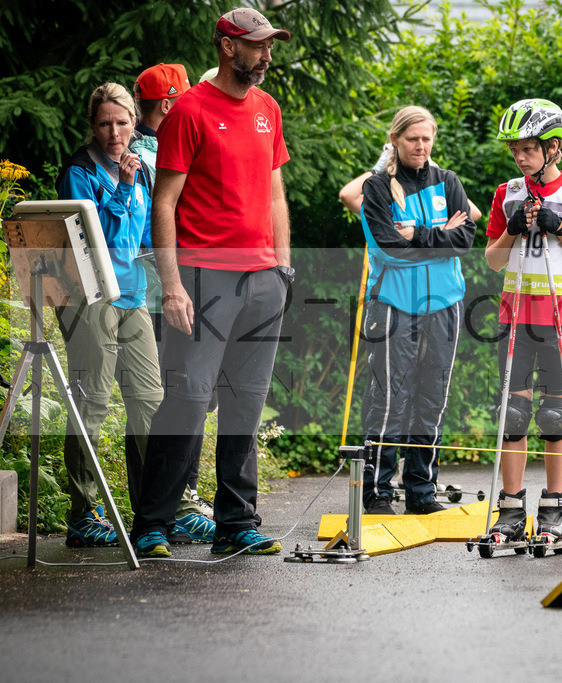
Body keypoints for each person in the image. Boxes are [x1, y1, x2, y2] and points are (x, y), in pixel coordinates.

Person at [130, 7, 294, 557]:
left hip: (263, 277)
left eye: (270, 45)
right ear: (228, 47)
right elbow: (165, 203)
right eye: (257, 45)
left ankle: (236, 522)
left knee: (245, 401)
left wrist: (284, 269)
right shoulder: (190, 112)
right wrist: (172, 286)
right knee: (188, 399)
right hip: (204, 277)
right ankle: (153, 521)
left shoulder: (267, 108)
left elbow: (274, 195)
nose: (267, 54)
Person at [55, 82, 212, 547]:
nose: (114, 132)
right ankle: (83, 514)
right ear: (93, 125)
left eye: (122, 122)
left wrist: (177, 280)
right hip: (91, 300)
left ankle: (167, 509)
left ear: (133, 123)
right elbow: (94, 240)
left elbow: (148, 238)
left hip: (134, 299)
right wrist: (123, 189)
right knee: (92, 404)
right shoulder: (79, 172)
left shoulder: (143, 169)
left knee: (152, 405)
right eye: (104, 123)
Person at [482, 98, 562, 546]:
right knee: (512, 414)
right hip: (514, 317)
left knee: (555, 415)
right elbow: (493, 262)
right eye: (515, 148)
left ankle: (554, 508)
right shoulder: (506, 191)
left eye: (528, 147)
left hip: (557, 317)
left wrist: (560, 229)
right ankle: (510, 508)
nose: (519, 155)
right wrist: (512, 228)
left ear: (554, 147)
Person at [359, 105, 476, 515]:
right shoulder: (375, 188)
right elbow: (389, 250)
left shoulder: (448, 181)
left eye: (427, 139)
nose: (421, 146)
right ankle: (376, 493)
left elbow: (466, 240)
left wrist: (424, 235)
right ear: (395, 139)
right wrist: (440, 239)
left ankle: (421, 494)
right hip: (393, 304)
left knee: (432, 399)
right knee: (391, 396)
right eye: (413, 139)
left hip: (445, 305)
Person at [129, 63, 214, 520]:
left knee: (164, 401)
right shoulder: (163, 151)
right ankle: (176, 505)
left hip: (152, 290)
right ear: (167, 104)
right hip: (167, 289)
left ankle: (158, 503)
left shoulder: (134, 150)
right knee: (181, 399)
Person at [339, 144, 482, 221]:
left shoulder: (432, 196)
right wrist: (376, 171)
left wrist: (437, 174)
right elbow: (347, 195)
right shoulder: (382, 199)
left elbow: (474, 214)